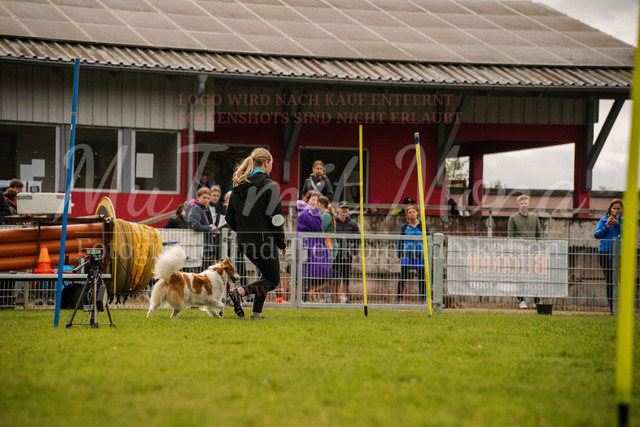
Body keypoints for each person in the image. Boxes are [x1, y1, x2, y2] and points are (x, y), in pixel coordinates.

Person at [225, 147, 286, 319]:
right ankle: (240, 292)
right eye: (272, 163)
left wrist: (244, 232)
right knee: (272, 281)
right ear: (266, 163)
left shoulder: (238, 185)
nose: (272, 166)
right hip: (264, 242)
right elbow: (276, 219)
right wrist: (281, 243)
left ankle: (256, 314)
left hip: (245, 242)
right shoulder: (271, 186)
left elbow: (229, 217)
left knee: (265, 277)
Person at [507, 194, 542, 309]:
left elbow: (539, 235)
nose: (524, 205)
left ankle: (536, 300)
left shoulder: (534, 218)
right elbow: (510, 236)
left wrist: (539, 250)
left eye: (525, 203)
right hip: (519, 253)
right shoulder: (513, 218)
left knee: (535, 276)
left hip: (533, 253)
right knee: (520, 277)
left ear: (528, 204)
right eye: (521, 203)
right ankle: (521, 300)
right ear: (518, 205)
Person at [296, 192, 331, 302]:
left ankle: (307, 297)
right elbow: (316, 226)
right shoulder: (305, 213)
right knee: (304, 270)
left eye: (317, 200)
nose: (315, 202)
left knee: (311, 271)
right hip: (305, 245)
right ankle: (303, 297)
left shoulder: (311, 212)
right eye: (312, 200)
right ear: (307, 200)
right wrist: (317, 212)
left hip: (312, 245)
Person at [594, 198, 623, 315]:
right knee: (610, 281)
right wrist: (607, 226)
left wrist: (617, 224)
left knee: (621, 281)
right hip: (605, 252)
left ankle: (622, 308)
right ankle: (612, 309)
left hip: (620, 252)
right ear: (610, 209)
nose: (616, 210)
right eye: (614, 208)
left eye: (618, 208)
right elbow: (596, 235)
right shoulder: (604, 219)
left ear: (622, 210)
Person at [396, 205, 430, 303]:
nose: (412, 214)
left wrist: (429, 254)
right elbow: (400, 241)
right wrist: (399, 255)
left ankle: (423, 299)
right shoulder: (404, 226)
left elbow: (428, 240)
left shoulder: (423, 225)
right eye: (410, 212)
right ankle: (399, 299)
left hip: (420, 254)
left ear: (417, 213)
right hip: (407, 254)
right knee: (403, 276)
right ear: (407, 215)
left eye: (413, 212)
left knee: (422, 277)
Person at [332, 201, 360, 303]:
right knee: (334, 276)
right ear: (338, 209)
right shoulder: (333, 222)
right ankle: (334, 297)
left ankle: (347, 297)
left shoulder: (353, 224)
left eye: (346, 208)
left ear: (348, 210)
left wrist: (354, 250)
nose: (344, 210)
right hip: (335, 254)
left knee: (346, 276)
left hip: (347, 255)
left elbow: (358, 239)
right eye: (342, 208)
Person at [188, 187, 219, 265]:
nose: (206, 200)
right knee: (204, 269)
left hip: (206, 245)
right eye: (204, 197)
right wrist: (210, 227)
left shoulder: (203, 208)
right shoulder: (196, 208)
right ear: (198, 197)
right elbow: (196, 226)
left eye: (208, 198)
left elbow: (207, 223)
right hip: (202, 245)